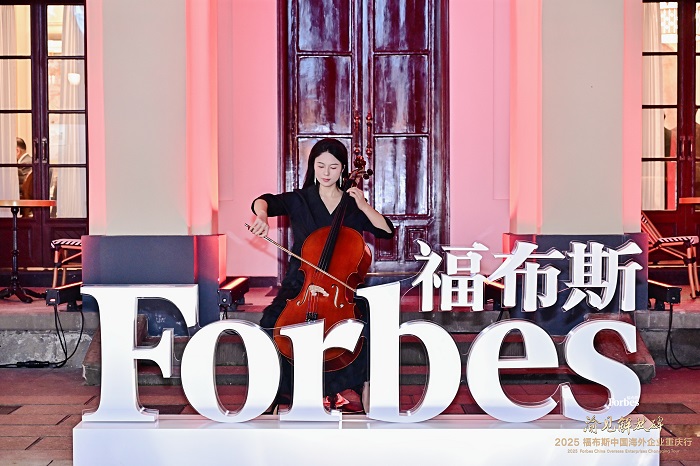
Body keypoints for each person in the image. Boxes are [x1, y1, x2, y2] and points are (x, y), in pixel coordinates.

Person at [248, 138, 395, 412]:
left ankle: (365, 385)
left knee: (365, 323)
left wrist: (364, 206)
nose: (326, 172)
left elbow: (386, 231)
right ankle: (277, 392)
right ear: (313, 167)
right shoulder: (300, 200)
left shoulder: (352, 204)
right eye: (321, 166)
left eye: (333, 167)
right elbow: (263, 201)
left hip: (340, 289)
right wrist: (262, 217)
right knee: (271, 322)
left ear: (343, 169)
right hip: (301, 283)